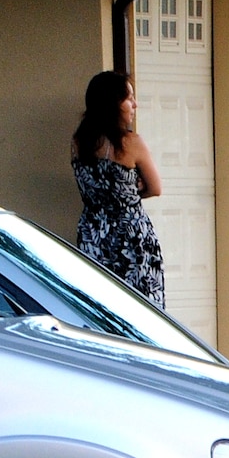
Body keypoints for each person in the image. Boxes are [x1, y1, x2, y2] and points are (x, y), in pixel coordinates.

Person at [71, 70, 166, 306]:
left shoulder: (78, 143)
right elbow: (155, 188)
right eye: (129, 98)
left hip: (93, 234)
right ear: (112, 103)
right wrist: (133, 190)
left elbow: (93, 187)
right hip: (131, 237)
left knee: (100, 308)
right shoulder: (131, 143)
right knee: (141, 309)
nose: (135, 104)